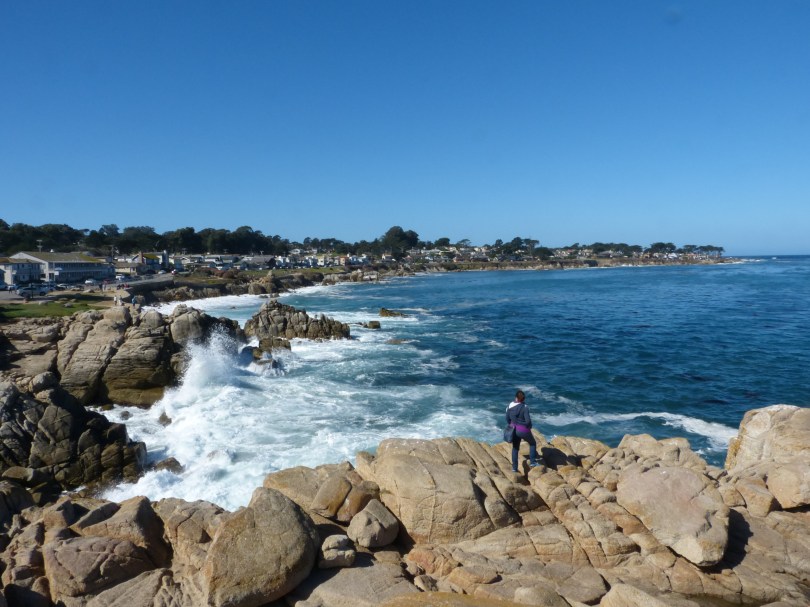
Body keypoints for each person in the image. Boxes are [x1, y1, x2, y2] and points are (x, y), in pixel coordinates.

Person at [506, 389, 538, 472]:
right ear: (523, 399)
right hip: (523, 430)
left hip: (513, 430)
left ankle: (514, 468)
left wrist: (512, 424)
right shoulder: (525, 407)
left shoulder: (510, 405)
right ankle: (533, 462)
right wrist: (529, 427)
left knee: (515, 448)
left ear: (516, 397)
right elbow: (528, 421)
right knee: (533, 443)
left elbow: (507, 418)